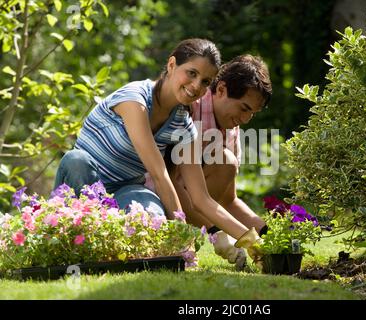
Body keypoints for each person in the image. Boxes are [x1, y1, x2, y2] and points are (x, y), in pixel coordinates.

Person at [53, 39, 264, 265]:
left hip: (126, 189)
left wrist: (254, 241)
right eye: (191, 73)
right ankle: (64, 235)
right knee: (76, 159)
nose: (196, 86)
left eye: (205, 81)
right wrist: (183, 240)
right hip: (84, 177)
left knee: (153, 217)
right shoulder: (134, 99)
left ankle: (105, 248)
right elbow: (159, 174)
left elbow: (202, 199)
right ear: (172, 65)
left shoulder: (183, 126)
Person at [146, 54, 272, 268]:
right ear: (221, 89)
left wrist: (268, 234)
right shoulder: (188, 107)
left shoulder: (230, 129)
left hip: (192, 199)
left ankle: (194, 233)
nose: (245, 119)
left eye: (252, 113)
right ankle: (182, 236)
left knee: (226, 161)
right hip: (152, 192)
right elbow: (171, 180)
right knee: (223, 159)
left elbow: (229, 200)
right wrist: (218, 234)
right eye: (243, 108)